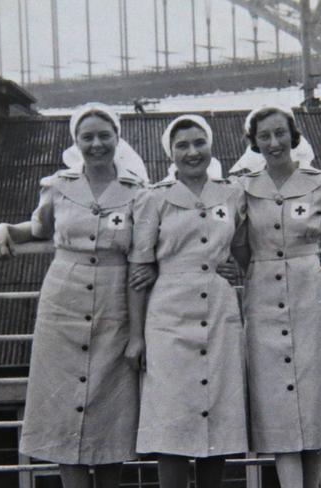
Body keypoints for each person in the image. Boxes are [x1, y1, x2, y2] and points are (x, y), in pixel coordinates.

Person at [0, 103, 154, 488]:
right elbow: (37, 228)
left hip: (116, 304)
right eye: (87, 137)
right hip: (63, 304)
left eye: (104, 135)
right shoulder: (58, 186)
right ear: (76, 142)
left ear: (117, 138)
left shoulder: (137, 192)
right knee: (64, 407)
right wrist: (2, 229)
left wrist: (136, 333)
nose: (96, 144)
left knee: (112, 405)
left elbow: (141, 261)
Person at [232, 105, 321, 488]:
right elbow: (238, 243)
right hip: (263, 297)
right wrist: (253, 268)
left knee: (312, 396)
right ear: (253, 143)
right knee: (277, 403)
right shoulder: (243, 187)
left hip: (311, 297)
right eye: (264, 136)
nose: (274, 143)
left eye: (279, 134)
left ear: (293, 136)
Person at [128, 114, 248, 488]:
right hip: (169, 314)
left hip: (219, 310)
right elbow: (137, 269)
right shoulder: (153, 198)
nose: (192, 152)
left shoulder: (231, 193)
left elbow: (247, 247)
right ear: (170, 152)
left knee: (218, 410)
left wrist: (235, 270)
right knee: (173, 417)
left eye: (199, 143)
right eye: (182, 145)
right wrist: (136, 336)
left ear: (210, 147)